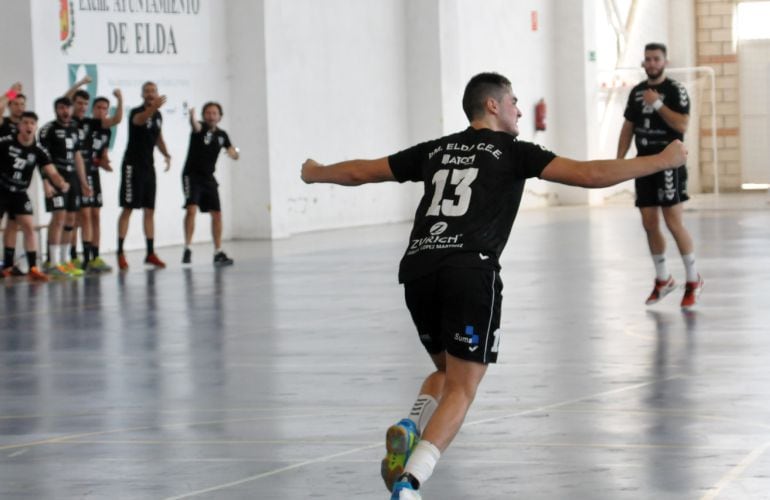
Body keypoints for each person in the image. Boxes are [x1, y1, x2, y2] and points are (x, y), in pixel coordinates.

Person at [301, 72, 688, 500]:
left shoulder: (436, 149)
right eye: (514, 102)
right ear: (492, 106)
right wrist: (661, 160)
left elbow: (361, 172)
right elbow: (590, 174)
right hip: (470, 270)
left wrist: (315, 172)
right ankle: (410, 483)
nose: (520, 110)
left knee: (447, 371)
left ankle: (411, 425)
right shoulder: (516, 152)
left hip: (418, 268)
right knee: (464, 387)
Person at [617, 42, 704, 311]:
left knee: (673, 221)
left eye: (656, 59)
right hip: (643, 163)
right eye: (647, 59)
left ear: (665, 62)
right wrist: (618, 162)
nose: (651, 63)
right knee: (648, 221)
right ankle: (663, 278)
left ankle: (693, 280)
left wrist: (657, 105)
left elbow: (681, 125)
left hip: (670, 163)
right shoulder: (636, 92)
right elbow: (628, 127)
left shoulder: (676, 91)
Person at [1, 111, 70, 281]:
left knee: (28, 227)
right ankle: (7, 265)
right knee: (9, 226)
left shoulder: (38, 150)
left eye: (32, 123)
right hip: (1, 189)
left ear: (35, 127)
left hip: (19, 192)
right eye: (25, 123)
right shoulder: (6, 142)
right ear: (19, 126)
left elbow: (51, 171)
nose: (29, 126)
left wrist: (61, 182)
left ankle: (32, 267)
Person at [65, 77, 123, 272]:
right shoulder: (75, 122)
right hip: (75, 174)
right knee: (82, 215)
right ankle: (76, 256)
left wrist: (104, 163)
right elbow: (64, 101)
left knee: (95, 214)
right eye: (96, 107)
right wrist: (79, 83)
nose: (100, 111)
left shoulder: (100, 128)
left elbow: (115, 121)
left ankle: (94, 257)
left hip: (93, 174)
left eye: (103, 108)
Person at [117, 81, 171, 270]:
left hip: (149, 168)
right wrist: (153, 108)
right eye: (147, 91)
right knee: (128, 208)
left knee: (149, 210)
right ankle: (120, 252)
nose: (150, 94)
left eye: (153, 91)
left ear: (157, 93)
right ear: (142, 95)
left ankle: (150, 253)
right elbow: (139, 121)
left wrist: (166, 154)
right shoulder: (136, 112)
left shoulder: (158, 115)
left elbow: (158, 137)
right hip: (133, 166)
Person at [38, 96, 92, 278]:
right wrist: (46, 182)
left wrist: (84, 182)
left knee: (71, 219)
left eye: (67, 108)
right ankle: (53, 263)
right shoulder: (48, 130)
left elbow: (78, 157)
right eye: (61, 108)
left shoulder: (75, 130)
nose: (65, 111)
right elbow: (42, 159)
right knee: (59, 218)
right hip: (55, 176)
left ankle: (65, 261)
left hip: (73, 178)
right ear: (56, 110)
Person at [181, 102, 239, 266]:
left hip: (208, 178)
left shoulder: (222, 135)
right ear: (203, 115)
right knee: (191, 209)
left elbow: (233, 151)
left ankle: (218, 251)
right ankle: (187, 247)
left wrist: (234, 153)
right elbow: (195, 126)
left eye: (214, 113)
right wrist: (191, 118)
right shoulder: (200, 128)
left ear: (220, 116)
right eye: (208, 113)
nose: (211, 116)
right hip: (191, 176)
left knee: (217, 214)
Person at [0, 82, 25, 272]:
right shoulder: (4, 123)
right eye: (15, 104)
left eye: (22, 104)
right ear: (10, 106)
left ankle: (9, 263)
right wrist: (11, 92)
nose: (19, 107)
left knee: (14, 223)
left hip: (17, 184)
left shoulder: (26, 126)